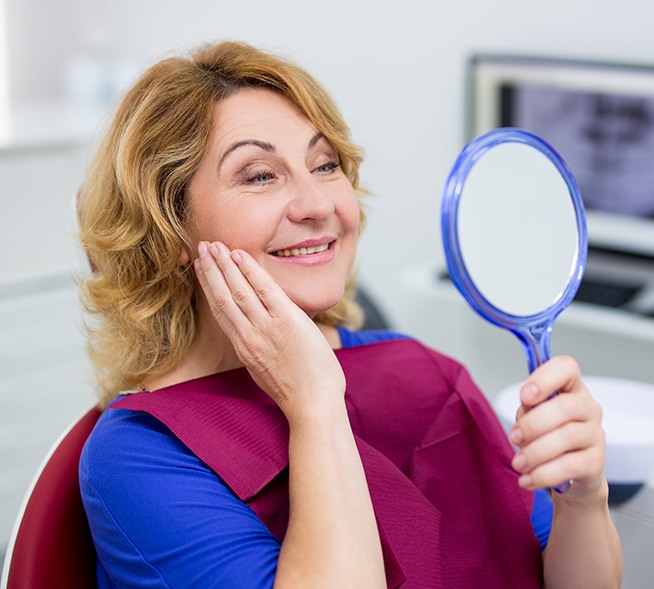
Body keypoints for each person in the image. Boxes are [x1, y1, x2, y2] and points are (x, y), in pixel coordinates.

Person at [77, 40, 622, 588]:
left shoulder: (426, 374)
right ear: (169, 229)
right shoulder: (139, 454)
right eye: (260, 175)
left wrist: (585, 501)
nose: (317, 205)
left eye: (325, 165)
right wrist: (314, 405)